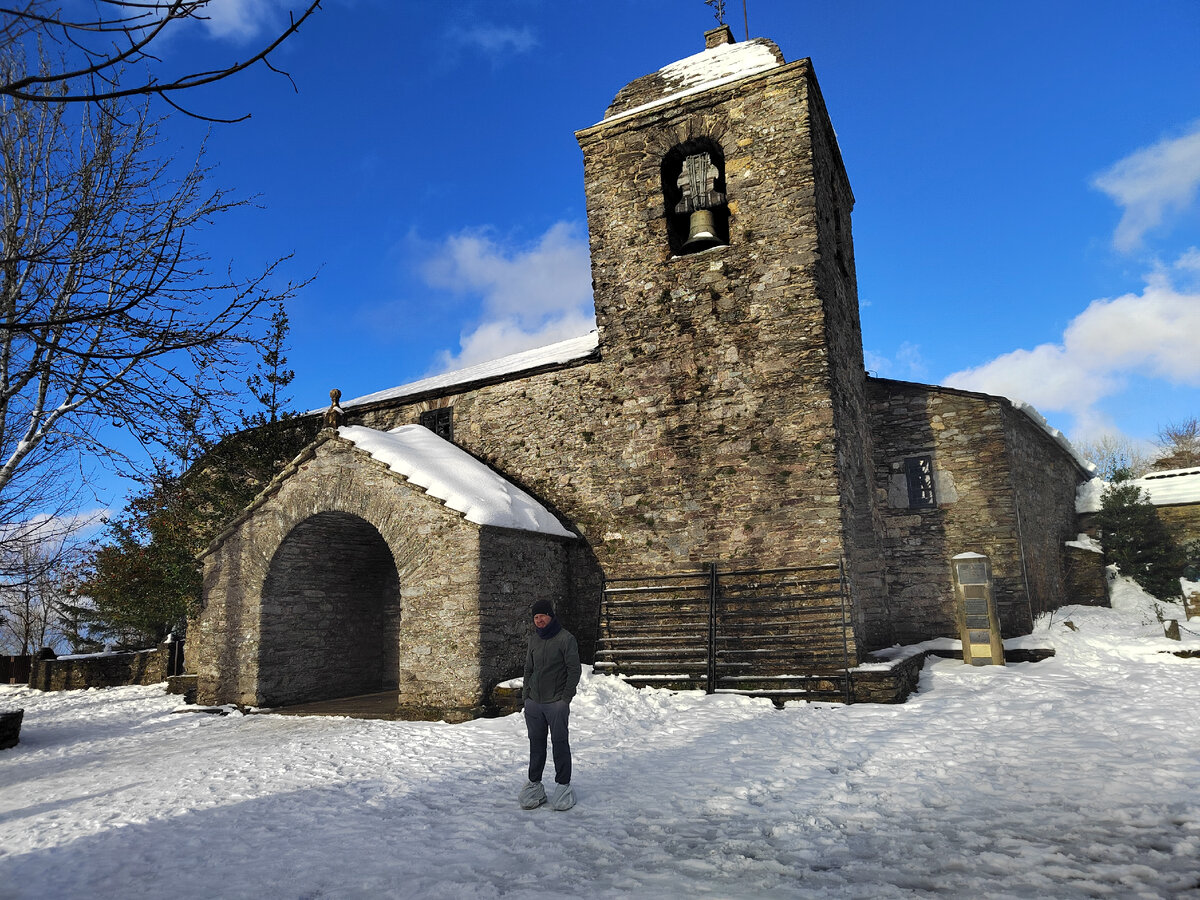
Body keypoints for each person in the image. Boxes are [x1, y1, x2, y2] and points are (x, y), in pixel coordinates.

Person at [518, 598, 581, 811]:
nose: (539, 620)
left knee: (560, 743)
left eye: (542, 615)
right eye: (536, 617)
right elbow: (528, 669)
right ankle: (535, 785)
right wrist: (526, 696)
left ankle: (563, 787)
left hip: (556, 703)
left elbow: (574, 670)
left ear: (551, 616)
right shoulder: (534, 641)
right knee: (536, 745)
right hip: (534, 703)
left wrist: (565, 698)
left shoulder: (566, 639)